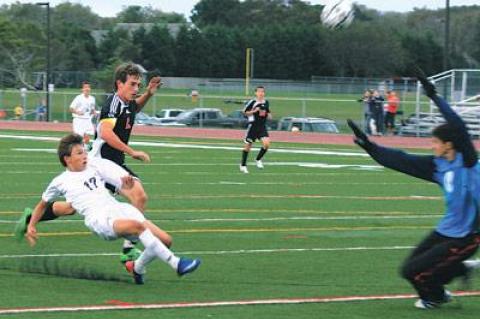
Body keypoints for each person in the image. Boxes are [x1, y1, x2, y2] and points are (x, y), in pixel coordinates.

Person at [347, 72, 480, 309]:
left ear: (448, 144)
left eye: (435, 142)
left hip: (469, 235)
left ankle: (434, 297)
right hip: (446, 231)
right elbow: (400, 160)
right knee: (408, 269)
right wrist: (370, 147)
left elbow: (458, 127)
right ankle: (450, 279)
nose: (432, 145)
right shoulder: (437, 166)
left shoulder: (467, 162)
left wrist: (434, 96)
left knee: (417, 272)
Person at [15, 63, 162, 264]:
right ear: (119, 83)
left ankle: (30, 218)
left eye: (138, 85)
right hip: (101, 162)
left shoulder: (127, 102)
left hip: (112, 162)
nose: (136, 89)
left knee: (70, 208)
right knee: (139, 195)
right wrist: (132, 151)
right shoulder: (113, 104)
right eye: (132, 84)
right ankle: (129, 249)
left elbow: (134, 108)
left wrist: (149, 93)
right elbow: (105, 132)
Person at [26, 134, 201, 284]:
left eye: (85, 151)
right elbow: (42, 204)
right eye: (79, 153)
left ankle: (137, 268)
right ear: (67, 159)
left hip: (117, 208)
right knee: (138, 227)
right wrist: (32, 225)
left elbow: (118, 180)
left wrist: (125, 183)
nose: (85, 155)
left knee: (165, 240)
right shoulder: (60, 181)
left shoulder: (93, 166)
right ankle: (177, 264)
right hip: (99, 219)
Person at [240, 86, 272, 174]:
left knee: (266, 144)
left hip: (262, 127)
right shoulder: (253, 102)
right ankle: (243, 165)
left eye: (262, 92)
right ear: (256, 93)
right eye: (259, 92)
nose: (261, 93)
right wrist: (254, 111)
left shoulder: (266, 102)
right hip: (253, 126)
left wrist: (268, 115)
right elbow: (244, 112)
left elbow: (268, 113)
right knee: (248, 147)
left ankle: (258, 159)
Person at [70, 81, 97, 150]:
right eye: (85, 87)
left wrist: (94, 112)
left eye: (88, 87)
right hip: (79, 120)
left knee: (87, 136)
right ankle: (75, 148)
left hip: (87, 120)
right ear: (82, 89)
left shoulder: (92, 99)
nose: (87, 89)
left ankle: (85, 148)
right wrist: (77, 112)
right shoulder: (78, 98)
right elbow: (71, 108)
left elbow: (92, 109)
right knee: (78, 137)